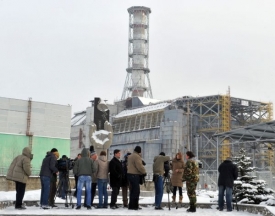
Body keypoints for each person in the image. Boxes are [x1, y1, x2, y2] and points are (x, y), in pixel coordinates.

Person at [127, 146, 146, 210]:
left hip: (129, 174)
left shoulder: (130, 156)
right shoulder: (137, 156)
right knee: (136, 191)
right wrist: (144, 172)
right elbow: (139, 166)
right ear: (139, 151)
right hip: (135, 175)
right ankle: (134, 206)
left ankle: (131, 205)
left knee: (132, 191)